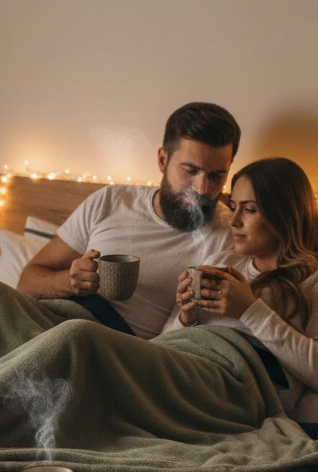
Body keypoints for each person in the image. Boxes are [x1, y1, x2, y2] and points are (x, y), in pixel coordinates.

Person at [17, 102, 240, 340]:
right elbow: (26, 282)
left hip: (111, 346)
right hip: (50, 323)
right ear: (163, 160)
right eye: (190, 170)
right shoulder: (110, 201)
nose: (201, 188)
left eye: (217, 175)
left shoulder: (229, 237)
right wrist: (70, 282)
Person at [162, 157, 318, 417]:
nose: (234, 220)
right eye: (234, 207)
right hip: (187, 360)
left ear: (283, 214)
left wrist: (250, 310)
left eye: (250, 209)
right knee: (93, 339)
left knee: (95, 346)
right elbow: (161, 345)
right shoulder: (222, 261)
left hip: (239, 384)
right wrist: (186, 318)